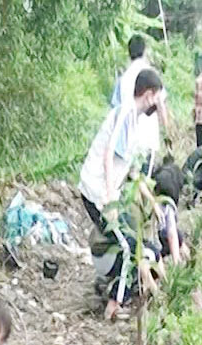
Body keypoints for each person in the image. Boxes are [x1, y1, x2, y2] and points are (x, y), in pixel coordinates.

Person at [79, 68, 164, 232]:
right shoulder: (125, 114)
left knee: (122, 243)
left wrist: (153, 203)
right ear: (148, 95)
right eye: (156, 99)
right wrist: (111, 199)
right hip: (96, 192)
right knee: (122, 246)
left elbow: (133, 173)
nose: (157, 105)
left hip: (103, 195)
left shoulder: (134, 121)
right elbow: (108, 155)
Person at [112, 35, 168, 171]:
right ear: (145, 51)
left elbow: (115, 110)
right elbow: (161, 107)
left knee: (126, 184)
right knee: (143, 182)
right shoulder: (152, 76)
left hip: (126, 143)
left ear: (129, 52)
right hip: (148, 140)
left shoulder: (123, 78)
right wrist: (166, 131)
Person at [152, 162, 188, 263]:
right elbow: (171, 233)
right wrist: (176, 261)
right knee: (178, 236)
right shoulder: (167, 205)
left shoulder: (151, 197)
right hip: (153, 245)